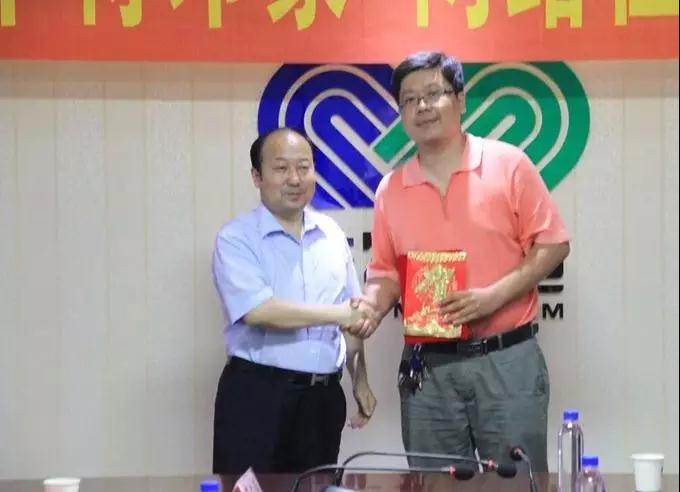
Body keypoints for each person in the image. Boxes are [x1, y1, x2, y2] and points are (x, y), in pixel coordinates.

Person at [347, 51, 570, 471]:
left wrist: (492, 297)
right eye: (410, 99)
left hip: (506, 359)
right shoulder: (391, 189)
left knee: (515, 482)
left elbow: (553, 244)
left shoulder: (508, 164)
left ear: (461, 100)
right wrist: (372, 307)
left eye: (434, 93)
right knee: (435, 482)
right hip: (427, 369)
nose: (422, 106)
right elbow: (386, 272)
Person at [211, 127, 376, 476]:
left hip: (322, 400)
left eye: (304, 167)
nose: (295, 179)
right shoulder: (236, 238)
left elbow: (352, 313)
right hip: (257, 398)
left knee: (318, 486)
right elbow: (259, 311)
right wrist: (339, 314)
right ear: (257, 177)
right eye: (281, 168)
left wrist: (360, 380)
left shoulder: (332, 234)